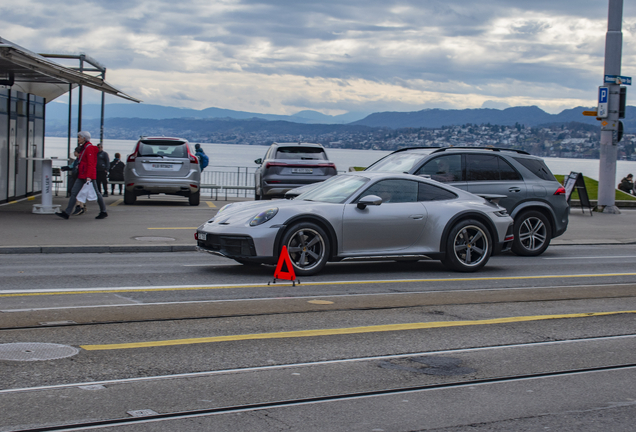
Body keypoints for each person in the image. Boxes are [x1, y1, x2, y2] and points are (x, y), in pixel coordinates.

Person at [55, 131, 108, 220]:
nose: (78, 139)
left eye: (79, 137)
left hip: (87, 175)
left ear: (84, 138)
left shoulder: (88, 148)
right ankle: (67, 213)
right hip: (83, 174)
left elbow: (91, 163)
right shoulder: (84, 148)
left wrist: (88, 176)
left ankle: (103, 211)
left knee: (96, 193)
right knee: (74, 192)